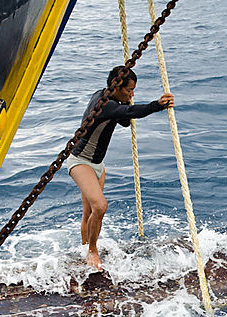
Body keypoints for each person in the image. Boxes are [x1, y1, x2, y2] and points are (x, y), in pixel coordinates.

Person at [66, 66, 174, 270]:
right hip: (80, 162)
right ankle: (92, 252)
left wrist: (126, 101)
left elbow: (124, 121)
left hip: (98, 165)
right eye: (129, 90)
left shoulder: (108, 97)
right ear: (116, 87)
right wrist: (158, 105)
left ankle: (83, 253)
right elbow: (131, 112)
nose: (132, 94)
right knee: (100, 206)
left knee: (89, 211)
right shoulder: (104, 103)